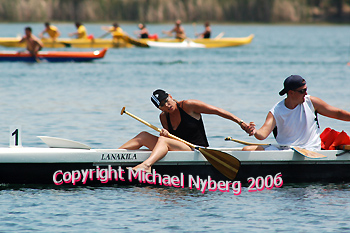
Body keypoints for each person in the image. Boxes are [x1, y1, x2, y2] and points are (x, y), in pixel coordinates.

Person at [119, 89, 249, 172]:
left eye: (166, 100)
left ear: (170, 96)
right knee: (143, 136)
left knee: (163, 140)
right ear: (159, 108)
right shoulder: (163, 117)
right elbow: (170, 141)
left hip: (196, 150)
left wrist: (241, 122)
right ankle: (109, 159)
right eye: (162, 105)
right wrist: (164, 134)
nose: (166, 105)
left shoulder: (188, 106)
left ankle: (146, 166)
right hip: (179, 149)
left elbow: (217, 111)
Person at [244, 75, 350, 151]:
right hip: (286, 150)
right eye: (302, 91)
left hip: (310, 150)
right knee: (247, 150)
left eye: (306, 89)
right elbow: (262, 134)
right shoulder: (276, 111)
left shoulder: (312, 102)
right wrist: (254, 131)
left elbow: (338, 113)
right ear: (291, 93)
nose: (306, 93)